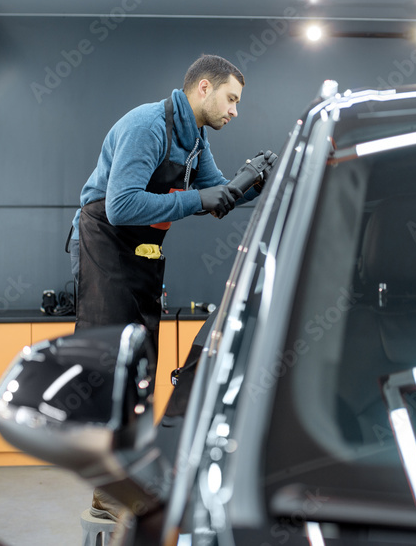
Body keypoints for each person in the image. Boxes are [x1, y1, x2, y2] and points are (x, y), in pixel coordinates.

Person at [67, 53, 274, 522]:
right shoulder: (148, 125)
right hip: (106, 243)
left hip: (142, 252)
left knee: (140, 367)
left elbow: (216, 194)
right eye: (231, 98)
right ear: (204, 88)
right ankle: (105, 490)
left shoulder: (194, 138)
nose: (235, 110)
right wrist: (194, 199)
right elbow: (120, 205)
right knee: (112, 367)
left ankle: (129, 476)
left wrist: (256, 181)